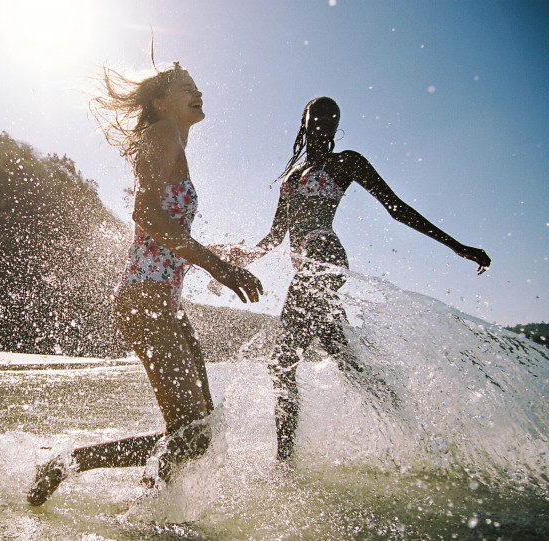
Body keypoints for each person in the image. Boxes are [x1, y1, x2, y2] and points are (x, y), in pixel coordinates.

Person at [26, 62, 263, 506]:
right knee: (190, 431)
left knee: (197, 434)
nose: (198, 93)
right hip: (144, 299)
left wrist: (221, 253)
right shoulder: (163, 133)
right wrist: (219, 268)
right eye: (186, 87)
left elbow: (166, 230)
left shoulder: (172, 142)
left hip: (168, 304)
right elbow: (146, 215)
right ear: (159, 102)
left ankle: (136, 505)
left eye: (198, 86)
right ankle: (95, 484)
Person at [226, 96, 491, 461]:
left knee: (281, 360)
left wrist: (457, 246)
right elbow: (275, 235)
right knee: (349, 363)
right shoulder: (290, 176)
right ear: (303, 122)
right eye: (316, 115)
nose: (323, 121)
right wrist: (238, 261)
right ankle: (424, 436)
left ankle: (283, 464)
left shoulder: (345, 162)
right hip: (307, 268)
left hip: (326, 259)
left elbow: (396, 209)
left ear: (338, 125)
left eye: (331, 117)